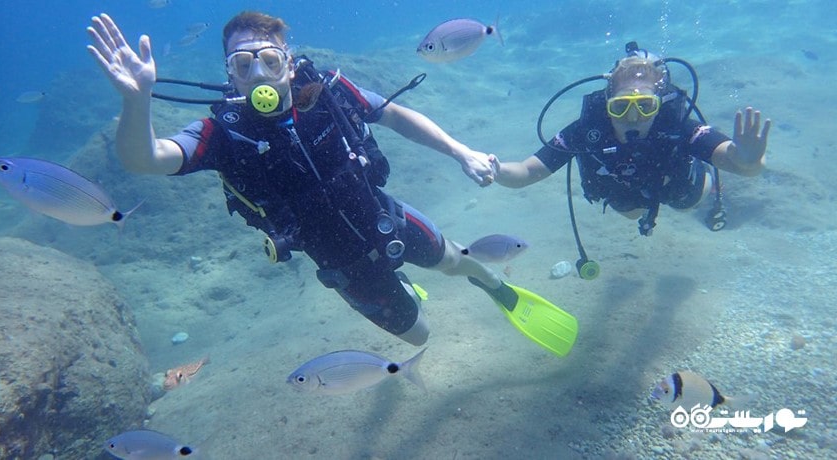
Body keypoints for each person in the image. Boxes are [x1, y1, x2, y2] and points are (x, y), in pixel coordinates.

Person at [85, 11, 550, 347]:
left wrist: (460, 151)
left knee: (457, 261)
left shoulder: (327, 91)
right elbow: (146, 159)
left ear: (288, 61)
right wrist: (136, 100)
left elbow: (394, 115)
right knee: (419, 336)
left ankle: (494, 285)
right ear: (230, 74)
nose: (257, 74)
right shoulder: (223, 131)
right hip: (341, 263)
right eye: (241, 65)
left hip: (385, 219)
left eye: (267, 59)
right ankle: (406, 292)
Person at [488, 45, 771, 235]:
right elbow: (526, 172)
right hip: (624, 193)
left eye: (645, 106)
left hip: (677, 185)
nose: (633, 117)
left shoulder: (680, 125)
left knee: (691, 201)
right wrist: (495, 169)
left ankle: (703, 176)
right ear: (607, 104)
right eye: (620, 106)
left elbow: (739, 163)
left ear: (659, 104)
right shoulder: (585, 131)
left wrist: (748, 159)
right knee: (630, 212)